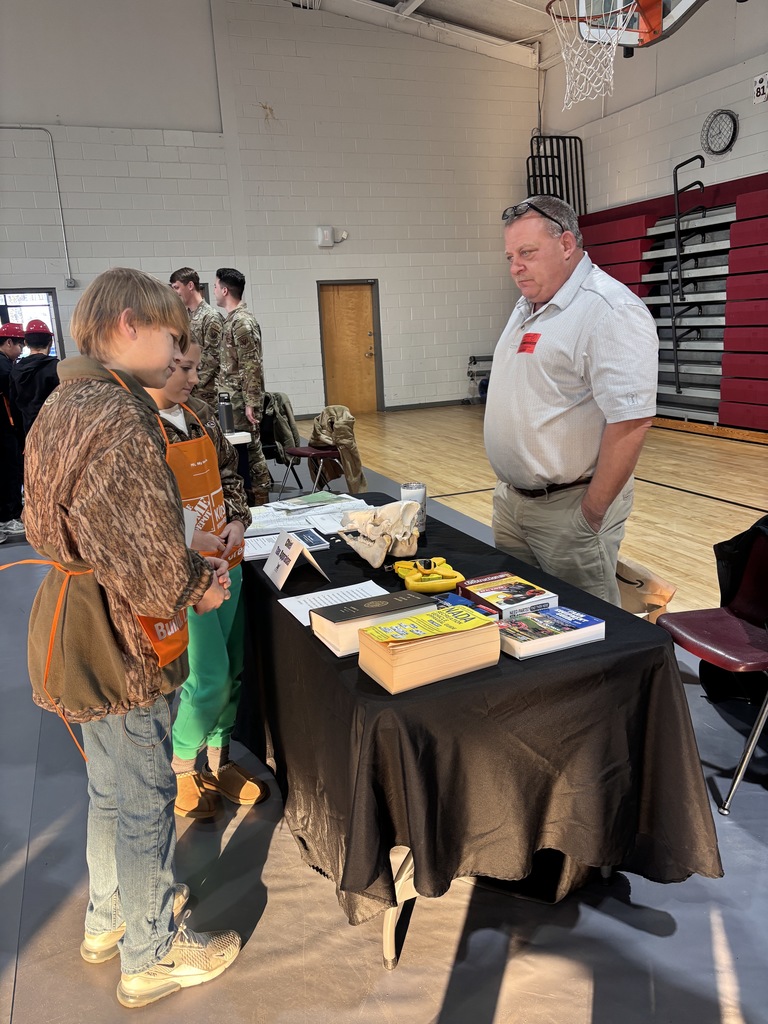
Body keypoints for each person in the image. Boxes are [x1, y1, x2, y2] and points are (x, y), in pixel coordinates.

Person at [20, 268, 241, 1009]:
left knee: (111, 789)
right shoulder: (118, 417)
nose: (182, 352)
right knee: (145, 794)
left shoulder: (63, 403)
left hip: (75, 614)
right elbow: (149, 560)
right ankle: (149, 953)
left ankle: (107, 919)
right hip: (119, 634)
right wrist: (197, 586)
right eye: (173, 336)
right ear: (126, 328)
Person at [484, 196, 659, 606]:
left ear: (566, 244)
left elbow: (631, 422)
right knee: (520, 620)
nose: (515, 267)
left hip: (570, 508)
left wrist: (590, 515)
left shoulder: (609, 311)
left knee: (588, 630)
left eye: (527, 253)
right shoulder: (530, 304)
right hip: (513, 503)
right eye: (511, 256)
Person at [144, 340, 268, 819]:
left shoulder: (199, 416)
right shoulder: (140, 427)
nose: (195, 379)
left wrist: (238, 519)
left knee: (233, 667)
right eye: (185, 368)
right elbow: (148, 514)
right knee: (207, 678)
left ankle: (219, 761)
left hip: (230, 562)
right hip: (188, 580)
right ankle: (182, 768)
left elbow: (230, 476)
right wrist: (189, 542)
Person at [214, 267, 270, 505]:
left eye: (215, 287)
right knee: (239, 450)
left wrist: (251, 403)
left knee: (251, 448)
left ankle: (260, 495)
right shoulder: (231, 320)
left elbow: (251, 365)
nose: (214, 291)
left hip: (240, 400)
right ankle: (247, 494)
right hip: (231, 398)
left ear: (225, 290)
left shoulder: (242, 323)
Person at [169, 267, 223, 408]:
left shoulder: (210, 317)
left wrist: (192, 381)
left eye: (177, 287)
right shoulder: (185, 316)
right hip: (189, 390)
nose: (175, 293)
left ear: (190, 286)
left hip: (206, 392)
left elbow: (213, 357)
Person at [10, 319, 60, 437]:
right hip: (55, 428)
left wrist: (22, 439)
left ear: (26, 343)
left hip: (29, 430)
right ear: (50, 342)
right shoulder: (57, 367)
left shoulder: (16, 370)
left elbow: (14, 407)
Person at [0, 322, 25, 538]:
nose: (21, 350)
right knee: (9, 470)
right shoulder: (5, 368)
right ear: (9, 342)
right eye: (20, 345)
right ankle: (8, 518)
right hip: (4, 429)